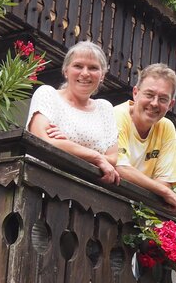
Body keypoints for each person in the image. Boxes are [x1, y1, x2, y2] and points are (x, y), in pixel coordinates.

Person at [26, 41, 120, 184]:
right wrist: (97, 157)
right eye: (78, 66)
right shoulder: (48, 94)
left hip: (87, 193)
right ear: (65, 71)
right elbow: (42, 140)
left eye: (93, 68)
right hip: (44, 185)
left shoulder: (105, 108)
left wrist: (67, 144)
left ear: (102, 76)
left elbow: (112, 159)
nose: (85, 73)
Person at [114, 64, 176, 210]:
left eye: (163, 99)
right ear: (135, 93)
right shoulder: (117, 115)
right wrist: (163, 191)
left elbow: (165, 181)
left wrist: (163, 189)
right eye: (149, 95)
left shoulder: (166, 127)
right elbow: (119, 167)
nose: (154, 103)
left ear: (170, 105)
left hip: (137, 211)